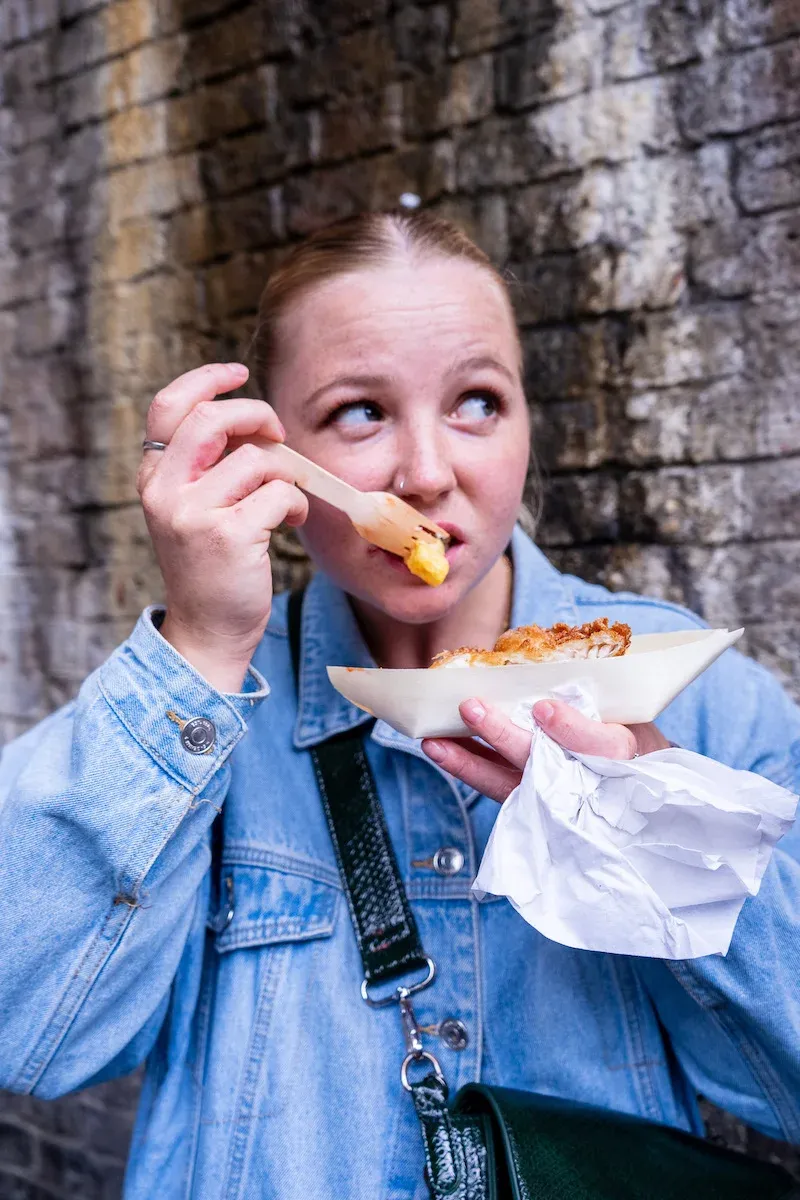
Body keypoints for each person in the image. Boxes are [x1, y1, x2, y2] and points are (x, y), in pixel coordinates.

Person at [0, 211, 798, 1200]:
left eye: (475, 402)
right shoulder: (203, 709)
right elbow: (30, 1036)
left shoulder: (689, 695)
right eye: (359, 414)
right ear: (273, 455)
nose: (425, 473)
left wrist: (649, 827)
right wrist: (199, 647)